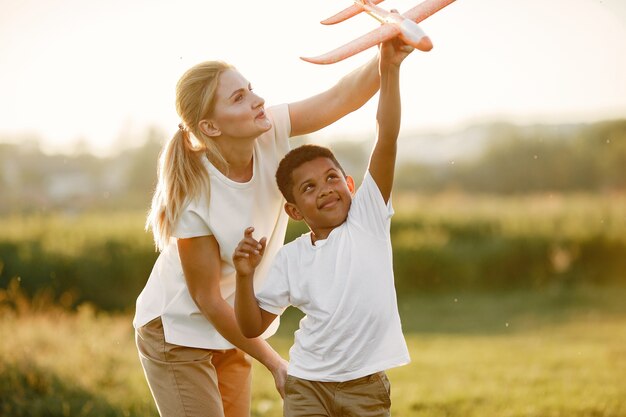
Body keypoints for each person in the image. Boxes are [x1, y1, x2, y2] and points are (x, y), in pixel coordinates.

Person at [133, 41, 412, 417]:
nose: (257, 100)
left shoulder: (268, 129)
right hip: (177, 330)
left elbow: (341, 97)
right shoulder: (195, 194)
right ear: (210, 126)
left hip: (233, 326)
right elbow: (206, 298)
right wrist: (275, 362)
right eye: (238, 98)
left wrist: (385, 54)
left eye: (250, 89)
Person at [233, 37, 413, 417]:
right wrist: (244, 276)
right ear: (294, 211)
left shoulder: (368, 219)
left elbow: (386, 138)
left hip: (365, 388)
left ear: (350, 184)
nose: (326, 190)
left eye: (332, 178)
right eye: (309, 187)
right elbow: (251, 326)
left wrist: (390, 69)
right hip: (306, 385)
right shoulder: (291, 259)